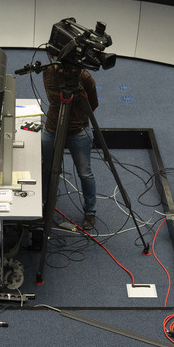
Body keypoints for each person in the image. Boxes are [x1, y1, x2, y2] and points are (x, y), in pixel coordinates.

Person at [42, 60, 100, 230]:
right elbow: (54, 99)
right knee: (47, 169)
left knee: (85, 173)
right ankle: (45, 204)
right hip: (53, 127)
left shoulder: (84, 77)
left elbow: (93, 104)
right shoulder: (48, 71)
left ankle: (90, 212)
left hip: (79, 129)